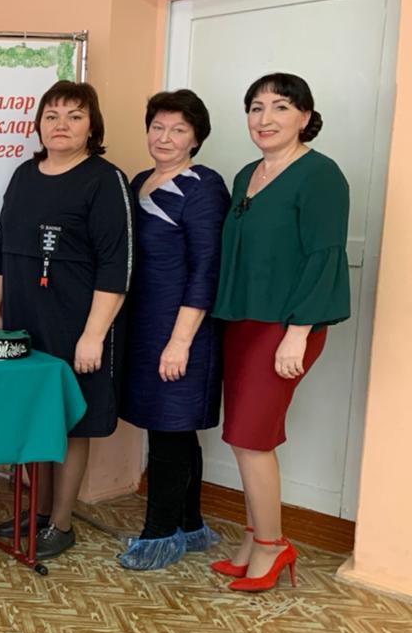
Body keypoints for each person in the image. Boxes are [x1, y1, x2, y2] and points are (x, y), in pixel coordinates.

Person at [209, 73, 349, 592]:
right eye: (256, 107)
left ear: (305, 117)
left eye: (280, 107)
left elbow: (324, 256)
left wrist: (298, 332)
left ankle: (272, 545)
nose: (265, 118)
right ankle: (254, 539)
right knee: (242, 436)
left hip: (287, 325)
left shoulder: (321, 175)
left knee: (252, 438)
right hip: (243, 321)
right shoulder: (247, 174)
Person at [0, 80, 133, 561]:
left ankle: (61, 524)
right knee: (35, 417)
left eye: (74, 116)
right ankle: (37, 512)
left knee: (72, 423)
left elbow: (117, 266)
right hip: (24, 321)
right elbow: (1, 247)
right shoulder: (24, 175)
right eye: (52, 115)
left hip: (78, 325)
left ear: (92, 126)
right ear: (39, 125)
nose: (61, 125)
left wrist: (94, 335)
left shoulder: (105, 181)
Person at [119, 90, 230, 570]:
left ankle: (159, 536)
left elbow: (207, 269)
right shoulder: (139, 181)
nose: (165, 138)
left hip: (184, 327)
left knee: (170, 427)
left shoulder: (204, 186)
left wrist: (180, 341)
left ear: (196, 138)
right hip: (145, 325)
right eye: (158, 127)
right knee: (174, 429)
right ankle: (189, 524)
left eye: (178, 130)